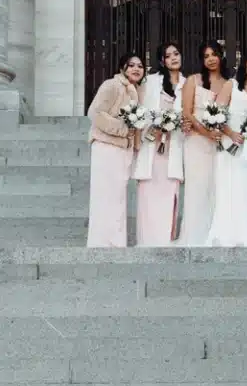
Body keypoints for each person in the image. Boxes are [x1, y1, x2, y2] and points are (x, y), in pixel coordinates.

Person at [205, 47, 247, 247]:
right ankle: (228, 234)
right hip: (230, 145)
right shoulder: (231, 85)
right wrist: (231, 134)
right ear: (244, 63)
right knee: (230, 187)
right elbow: (215, 115)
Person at [86, 51, 145, 248]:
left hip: (123, 150)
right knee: (104, 196)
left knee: (118, 197)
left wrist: (135, 144)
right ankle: (101, 243)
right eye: (131, 65)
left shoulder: (137, 90)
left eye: (140, 66)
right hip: (105, 146)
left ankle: (115, 242)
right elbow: (94, 113)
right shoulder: (112, 85)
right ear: (122, 69)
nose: (136, 68)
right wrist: (122, 129)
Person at [178, 40, 230, 245]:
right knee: (197, 188)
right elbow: (186, 112)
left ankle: (212, 233)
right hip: (196, 142)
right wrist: (206, 133)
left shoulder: (228, 83)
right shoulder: (193, 80)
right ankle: (193, 236)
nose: (210, 59)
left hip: (218, 144)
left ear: (221, 56)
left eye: (214, 54)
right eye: (206, 56)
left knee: (215, 188)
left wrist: (218, 132)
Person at [134, 41, 185, 246]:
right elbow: (140, 111)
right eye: (168, 55)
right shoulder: (151, 82)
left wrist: (175, 123)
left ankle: (165, 241)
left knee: (169, 197)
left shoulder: (186, 82)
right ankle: (146, 241)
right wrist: (154, 125)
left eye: (176, 53)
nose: (174, 57)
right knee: (148, 197)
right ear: (162, 61)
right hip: (151, 148)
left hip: (173, 149)